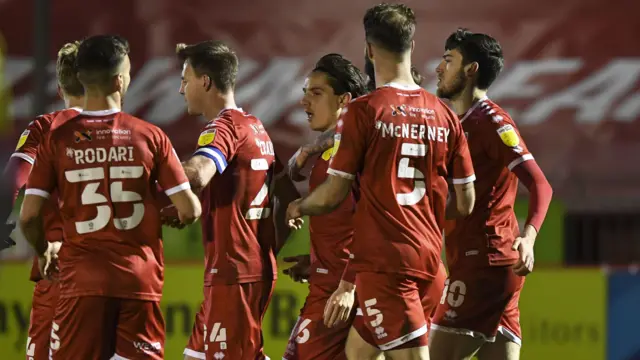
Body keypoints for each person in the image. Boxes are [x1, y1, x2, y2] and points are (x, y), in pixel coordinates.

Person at [285, 4, 476, 360]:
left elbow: (332, 196)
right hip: (430, 263)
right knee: (357, 354)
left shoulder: (364, 111)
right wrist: (417, 210)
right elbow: (465, 202)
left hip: (387, 271)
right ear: (412, 44)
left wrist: (299, 205)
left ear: (369, 49)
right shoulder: (446, 114)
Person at [19, 34, 201, 360]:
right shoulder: (150, 135)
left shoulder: (56, 138)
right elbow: (189, 210)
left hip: (81, 281)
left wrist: (45, 250)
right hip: (138, 280)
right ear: (120, 81)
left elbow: (29, 216)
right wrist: (154, 211)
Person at [429, 29, 553, 360]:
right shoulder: (453, 122)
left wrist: (528, 238)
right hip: (479, 264)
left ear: (471, 70)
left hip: (485, 263)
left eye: (447, 60)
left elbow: (540, 184)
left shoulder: (492, 122)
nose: (439, 69)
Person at [174, 40, 293, 360]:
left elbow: (197, 175)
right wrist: (262, 250)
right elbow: (288, 196)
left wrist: (157, 164)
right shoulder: (255, 128)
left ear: (206, 81)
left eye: (185, 80)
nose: (180, 89)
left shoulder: (223, 128)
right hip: (242, 270)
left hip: (234, 274)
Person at [282, 53, 368, 360]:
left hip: (340, 291)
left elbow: (373, 225)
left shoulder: (354, 153)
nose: (305, 102)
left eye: (316, 94)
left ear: (344, 100)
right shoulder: (331, 152)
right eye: (305, 93)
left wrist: (348, 284)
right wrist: (318, 259)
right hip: (328, 283)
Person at [2, 40, 84, 360]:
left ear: (60, 88)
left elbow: (11, 182)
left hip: (60, 274)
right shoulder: (135, 132)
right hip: (119, 282)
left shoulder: (46, 129)